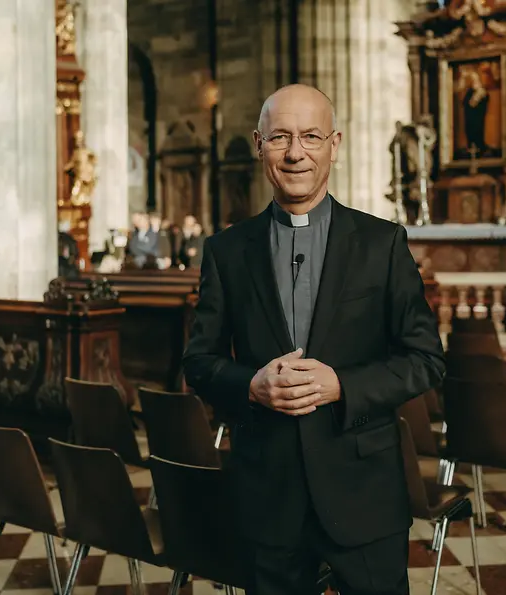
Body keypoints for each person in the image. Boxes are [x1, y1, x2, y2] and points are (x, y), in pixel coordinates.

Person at [183, 84, 445, 595]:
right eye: (280, 136)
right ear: (260, 144)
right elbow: (199, 361)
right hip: (267, 495)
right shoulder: (227, 251)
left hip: (364, 496)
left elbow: (426, 359)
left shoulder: (381, 243)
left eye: (310, 136)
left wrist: (342, 385)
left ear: (335, 144)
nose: (296, 152)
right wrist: (251, 386)